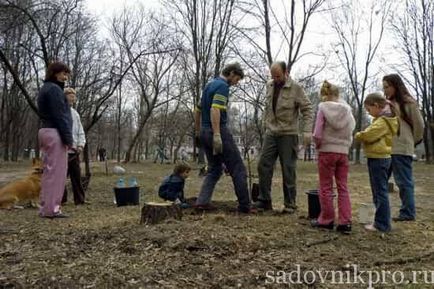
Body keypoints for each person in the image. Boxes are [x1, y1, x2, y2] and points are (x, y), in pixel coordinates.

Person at [194, 62, 255, 214]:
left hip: (204, 131)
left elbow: (197, 110)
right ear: (232, 73)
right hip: (217, 130)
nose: (236, 83)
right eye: (237, 79)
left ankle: (202, 202)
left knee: (214, 169)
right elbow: (215, 109)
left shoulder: (209, 85)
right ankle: (245, 206)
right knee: (237, 168)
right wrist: (217, 135)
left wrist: (197, 132)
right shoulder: (222, 86)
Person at [255, 61, 313, 213]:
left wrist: (307, 131)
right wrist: (265, 123)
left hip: (288, 134)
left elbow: (307, 109)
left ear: (286, 72)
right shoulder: (269, 85)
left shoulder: (296, 88)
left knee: (288, 168)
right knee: (263, 164)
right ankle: (264, 200)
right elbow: (267, 108)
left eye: (278, 76)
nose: (275, 79)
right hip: (271, 132)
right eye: (273, 76)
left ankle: (290, 204)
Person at [311, 81, 355, 233]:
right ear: (338, 95)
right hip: (343, 153)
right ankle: (345, 222)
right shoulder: (348, 111)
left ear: (325, 95)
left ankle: (327, 220)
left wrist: (318, 145)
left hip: (327, 150)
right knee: (343, 187)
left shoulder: (323, 109)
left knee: (326, 186)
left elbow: (317, 133)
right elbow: (351, 129)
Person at [382, 74, 424, 222]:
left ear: (396, 86)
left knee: (403, 182)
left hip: (402, 148)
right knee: (381, 181)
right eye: (384, 87)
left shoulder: (408, 103)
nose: (385, 90)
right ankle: (381, 212)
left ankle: (408, 212)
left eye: (387, 87)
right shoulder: (386, 104)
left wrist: (413, 141)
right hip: (386, 148)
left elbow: (419, 125)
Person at [355, 93, 399, 232]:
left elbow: (368, 135)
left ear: (376, 105)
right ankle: (381, 221)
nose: (369, 113)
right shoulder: (386, 119)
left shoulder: (383, 121)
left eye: (369, 110)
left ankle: (382, 224)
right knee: (379, 191)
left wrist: (358, 135)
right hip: (382, 157)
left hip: (378, 159)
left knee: (380, 192)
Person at [37, 61, 72, 218]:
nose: (66, 77)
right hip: (54, 132)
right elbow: (61, 116)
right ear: (55, 73)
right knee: (57, 173)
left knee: (48, 171)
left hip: (45, 131)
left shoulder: (46, 88)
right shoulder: (54, 90)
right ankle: (52, 209)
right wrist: (68, 138)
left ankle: (46, 207)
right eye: (64, 73)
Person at [62, 88, 87, 205]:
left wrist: (81, 144)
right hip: (63, 151)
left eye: (74, 96)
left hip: (74, 152)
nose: (73, 98)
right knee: (61, 177)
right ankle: (61, 199)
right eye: (70, 95)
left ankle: (80, 199)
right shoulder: (60, 111)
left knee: (76, 177)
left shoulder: (75, 113)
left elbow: (80, 131)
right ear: (65, 96)